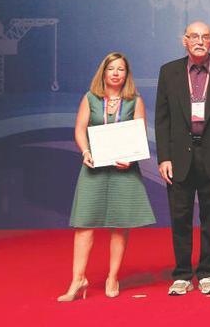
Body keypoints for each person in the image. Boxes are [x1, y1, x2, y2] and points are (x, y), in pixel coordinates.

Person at [58, 52, 156, 301]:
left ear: (127, 74)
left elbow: (139, 135)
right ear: (103, 72)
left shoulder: (135, 100)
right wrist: (86, 151)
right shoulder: (90, 98)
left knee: (120, 225)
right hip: (94, 168)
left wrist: (131, 158)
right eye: (111, 68)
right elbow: (80, 129)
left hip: (125, 169)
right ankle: (78, 279)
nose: (115, 73)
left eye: (121, 69)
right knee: (84, 225)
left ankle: (113, 276)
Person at [155, 21, 210, 296]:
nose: (200, 41)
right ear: (185, 40)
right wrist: (164, 157)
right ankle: (182, 274)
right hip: (179, 157)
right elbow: (162, 119)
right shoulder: (169, 72)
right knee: (180, 219)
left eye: (205, 36)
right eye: (194, 36)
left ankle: (206, 272)